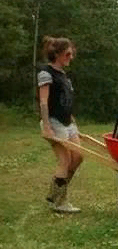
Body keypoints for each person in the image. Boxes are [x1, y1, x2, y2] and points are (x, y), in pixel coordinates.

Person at [37, 36, 83, 213]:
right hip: (54, 123)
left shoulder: (63, 75)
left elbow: (65, 99)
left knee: (78, 157)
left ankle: (54, 194)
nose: (71, 57)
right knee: (65, 161)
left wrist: (71, 118)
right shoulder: (46, 73)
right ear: (57, 54)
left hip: (68, 123)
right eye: (68, 54)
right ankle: (60, 202)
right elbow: (43, 102)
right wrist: (47, 127)